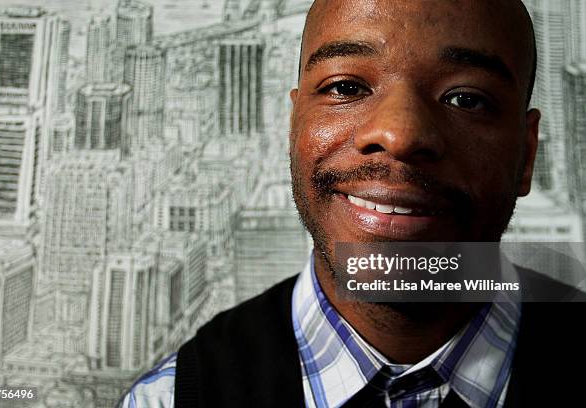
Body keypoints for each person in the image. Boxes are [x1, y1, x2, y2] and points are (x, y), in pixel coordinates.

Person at [119, 1, 586, 407]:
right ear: (293, 128)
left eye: (465, 98)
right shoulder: (170, 399)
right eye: (346, 88)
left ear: (527, 154)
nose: (399, 135)